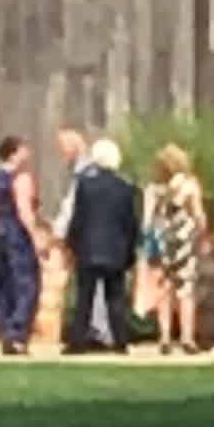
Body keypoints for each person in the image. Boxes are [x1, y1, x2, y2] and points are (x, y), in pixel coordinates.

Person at [63, 133, 143, 351]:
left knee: (84, 298)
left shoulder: (85, 185)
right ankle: (120, 341)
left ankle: (77, 342)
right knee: (115, 297)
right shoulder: (125, 188)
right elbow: (130, 222)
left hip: (88, 248)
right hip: (116, 249)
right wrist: (131, 250)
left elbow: (78, 218)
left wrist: (71, 244)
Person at [144, 138, 212, 354]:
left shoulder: (153, 188)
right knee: (185, 290)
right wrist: (204, 236)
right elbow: (198, 215)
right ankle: (186, 337)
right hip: (184, 242)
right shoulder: (189, 185)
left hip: (162, 240)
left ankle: (164, 337)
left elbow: (147, 220)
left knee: (164, 290)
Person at [0, 132, 46, 356]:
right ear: (13, 153)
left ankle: (6, 329)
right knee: (27, 285)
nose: (28, 153)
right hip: (16, 233)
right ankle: (17, 334)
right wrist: (37, 237)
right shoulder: (21, 178)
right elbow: (24, 210)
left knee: (5, 284)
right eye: (23, 149)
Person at [42, 121, 88, 352]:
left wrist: (58, 234)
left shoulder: (83, 172)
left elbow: (72, 206)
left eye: (64, 147)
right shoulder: (77, 171)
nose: (62, 152)